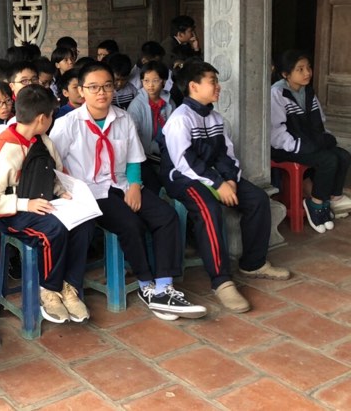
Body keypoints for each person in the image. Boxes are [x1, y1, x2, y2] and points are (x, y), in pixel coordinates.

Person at [50, 62, 206, 321]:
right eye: (93, 87)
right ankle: (146, 285)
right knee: (130, 224)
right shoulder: (67, 124)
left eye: (107, 86)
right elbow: (54, 163)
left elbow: (134, 158)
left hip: (122, 184)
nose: (101, 92)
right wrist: (68, 191)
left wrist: (134, 186)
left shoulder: (124, 119)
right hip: (90, 193)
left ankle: (164, 285)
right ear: (82, 90)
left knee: (166, 216)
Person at [159, 61, 290, 313]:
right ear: (194, 86)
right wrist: (218, 184)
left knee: (257, 198)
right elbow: (184, 162)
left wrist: (230, 180)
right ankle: (221, 281)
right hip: (182, 178)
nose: (218, 87)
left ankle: (253, 263)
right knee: (208, 209)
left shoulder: (215, 118)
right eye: (213, 82)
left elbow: (225, 155)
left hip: (213, 176)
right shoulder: (180, 119)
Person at [0, 85, 95, 323]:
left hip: (43, 204)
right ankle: (49, 290)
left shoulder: (43, 141)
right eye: (51, 115)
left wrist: (62, 191)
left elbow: (57, 173)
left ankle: (69, 286)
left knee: (84, 223)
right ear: (42, 118)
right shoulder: (5, 149)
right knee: (52, 231)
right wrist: (25, 204)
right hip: (10, 213)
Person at [270, 49, 351, 230]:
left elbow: (319, 120)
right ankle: (315, 203)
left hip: (308, 142)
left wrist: (324, 138)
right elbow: (276, 134)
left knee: (343, 155)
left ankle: (332, 198)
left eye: (308, 67)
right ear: (286, 74)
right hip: (285, 147)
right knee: (328, 160)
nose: (307, 72)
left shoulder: (308, 91)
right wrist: (299, 146)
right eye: (300, 69)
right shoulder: (277, 94)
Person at [127, 61, 175, 194]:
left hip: (167, 149)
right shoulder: (136, 105)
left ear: (163, 81)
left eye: (155, 81)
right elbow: (133, 137)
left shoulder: (169, 102)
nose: (150, 85)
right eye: (146, 81)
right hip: (147, 154)